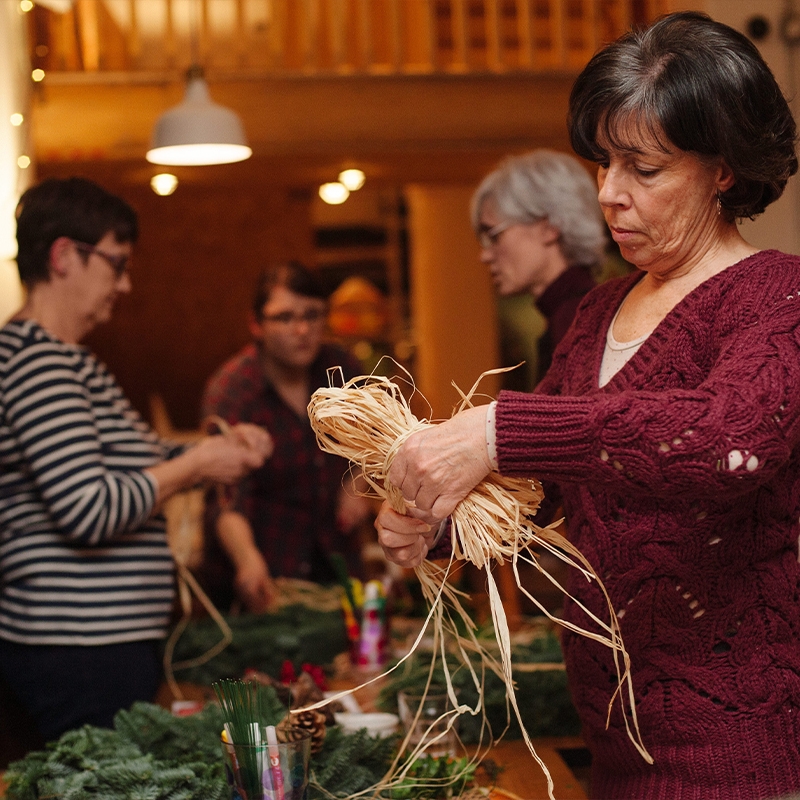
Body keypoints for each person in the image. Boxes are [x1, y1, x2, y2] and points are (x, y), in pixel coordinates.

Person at [375, 12, 800, 799]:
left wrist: (502, 430)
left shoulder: (777, 296)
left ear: (723, 170)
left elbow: (726, 442)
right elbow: (538, 496)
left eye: (642, 167)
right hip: (615, 745)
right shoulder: (598, 314)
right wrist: (437, 518)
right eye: (604, 163)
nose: (608, 193)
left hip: (737, 759)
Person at [0, 177, 272, 742]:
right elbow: (88, 509)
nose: (125, 284)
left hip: (95, 649)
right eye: (116, 263)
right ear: (64, 256)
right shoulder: (37, 363)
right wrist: (198, 466)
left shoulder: (73, 363)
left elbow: (140, 461)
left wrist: (217, 450)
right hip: (75, 652)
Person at [200, 262, 371, 613]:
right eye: (285, 318)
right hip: (266, 572)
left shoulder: (342, 370)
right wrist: (247, 559)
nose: (303, 329)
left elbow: (378, 445)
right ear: (256, 324)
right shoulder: (234, 391)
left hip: (337, 566)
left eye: (313, 315)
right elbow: (226, 496)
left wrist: (358, 483)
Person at [471, 149, 607, 385]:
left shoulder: (580, 323)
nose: (485, 255)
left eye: (493, 236)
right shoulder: (574, 315)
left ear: (549, 228)